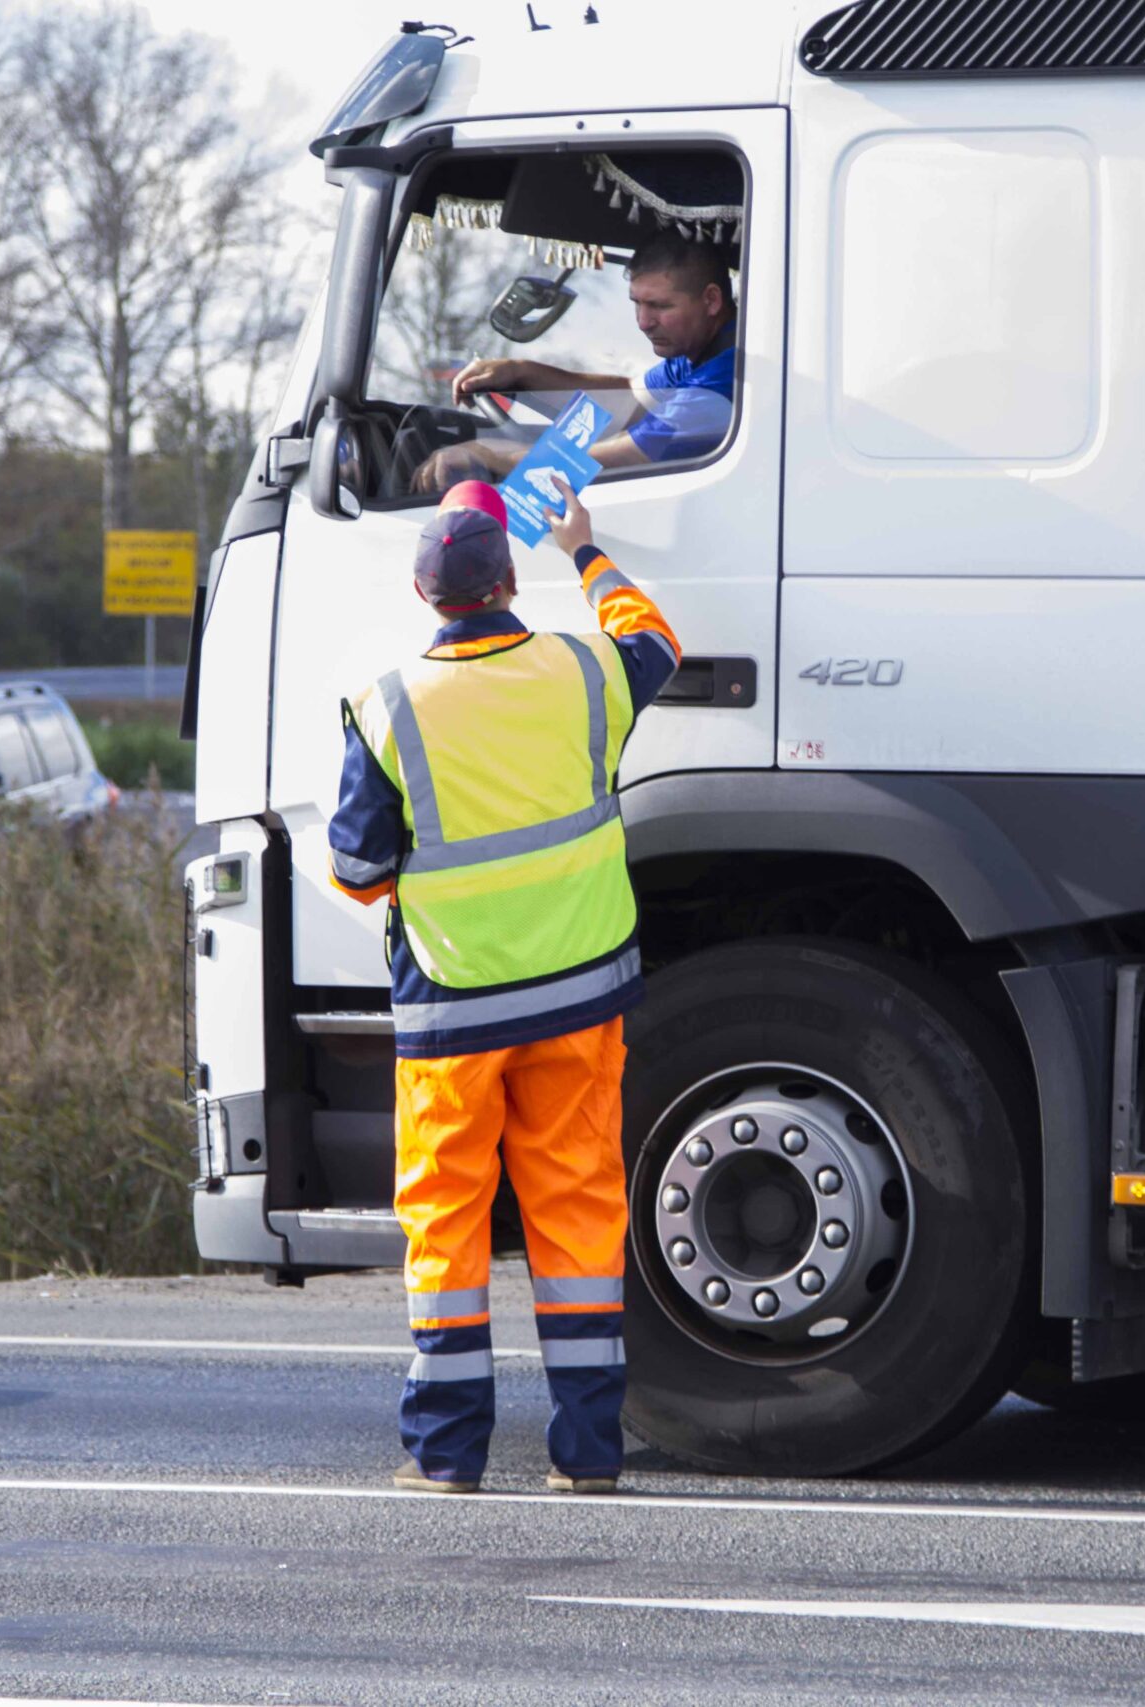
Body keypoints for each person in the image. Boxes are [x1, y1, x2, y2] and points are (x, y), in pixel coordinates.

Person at [328, 478, 682, 1495]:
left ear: (422, 592)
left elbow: (358, 869)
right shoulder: (582, 672)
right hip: (578, 993)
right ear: (507, 580)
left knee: (445, 1218)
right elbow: (653, 641)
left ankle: (445, 1454)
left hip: (455, 1006)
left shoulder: (386, 706)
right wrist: (587, 551)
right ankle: (588, 1454)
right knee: (577, 1215)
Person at [412, 233, 738, 491]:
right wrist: (521, 372)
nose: (643, 322)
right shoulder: (701, 355)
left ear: (711, 300)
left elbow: (605, 460)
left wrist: (484, 454)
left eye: (659, 306)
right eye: (637, 303)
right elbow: (628, 399)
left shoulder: (723, 383)